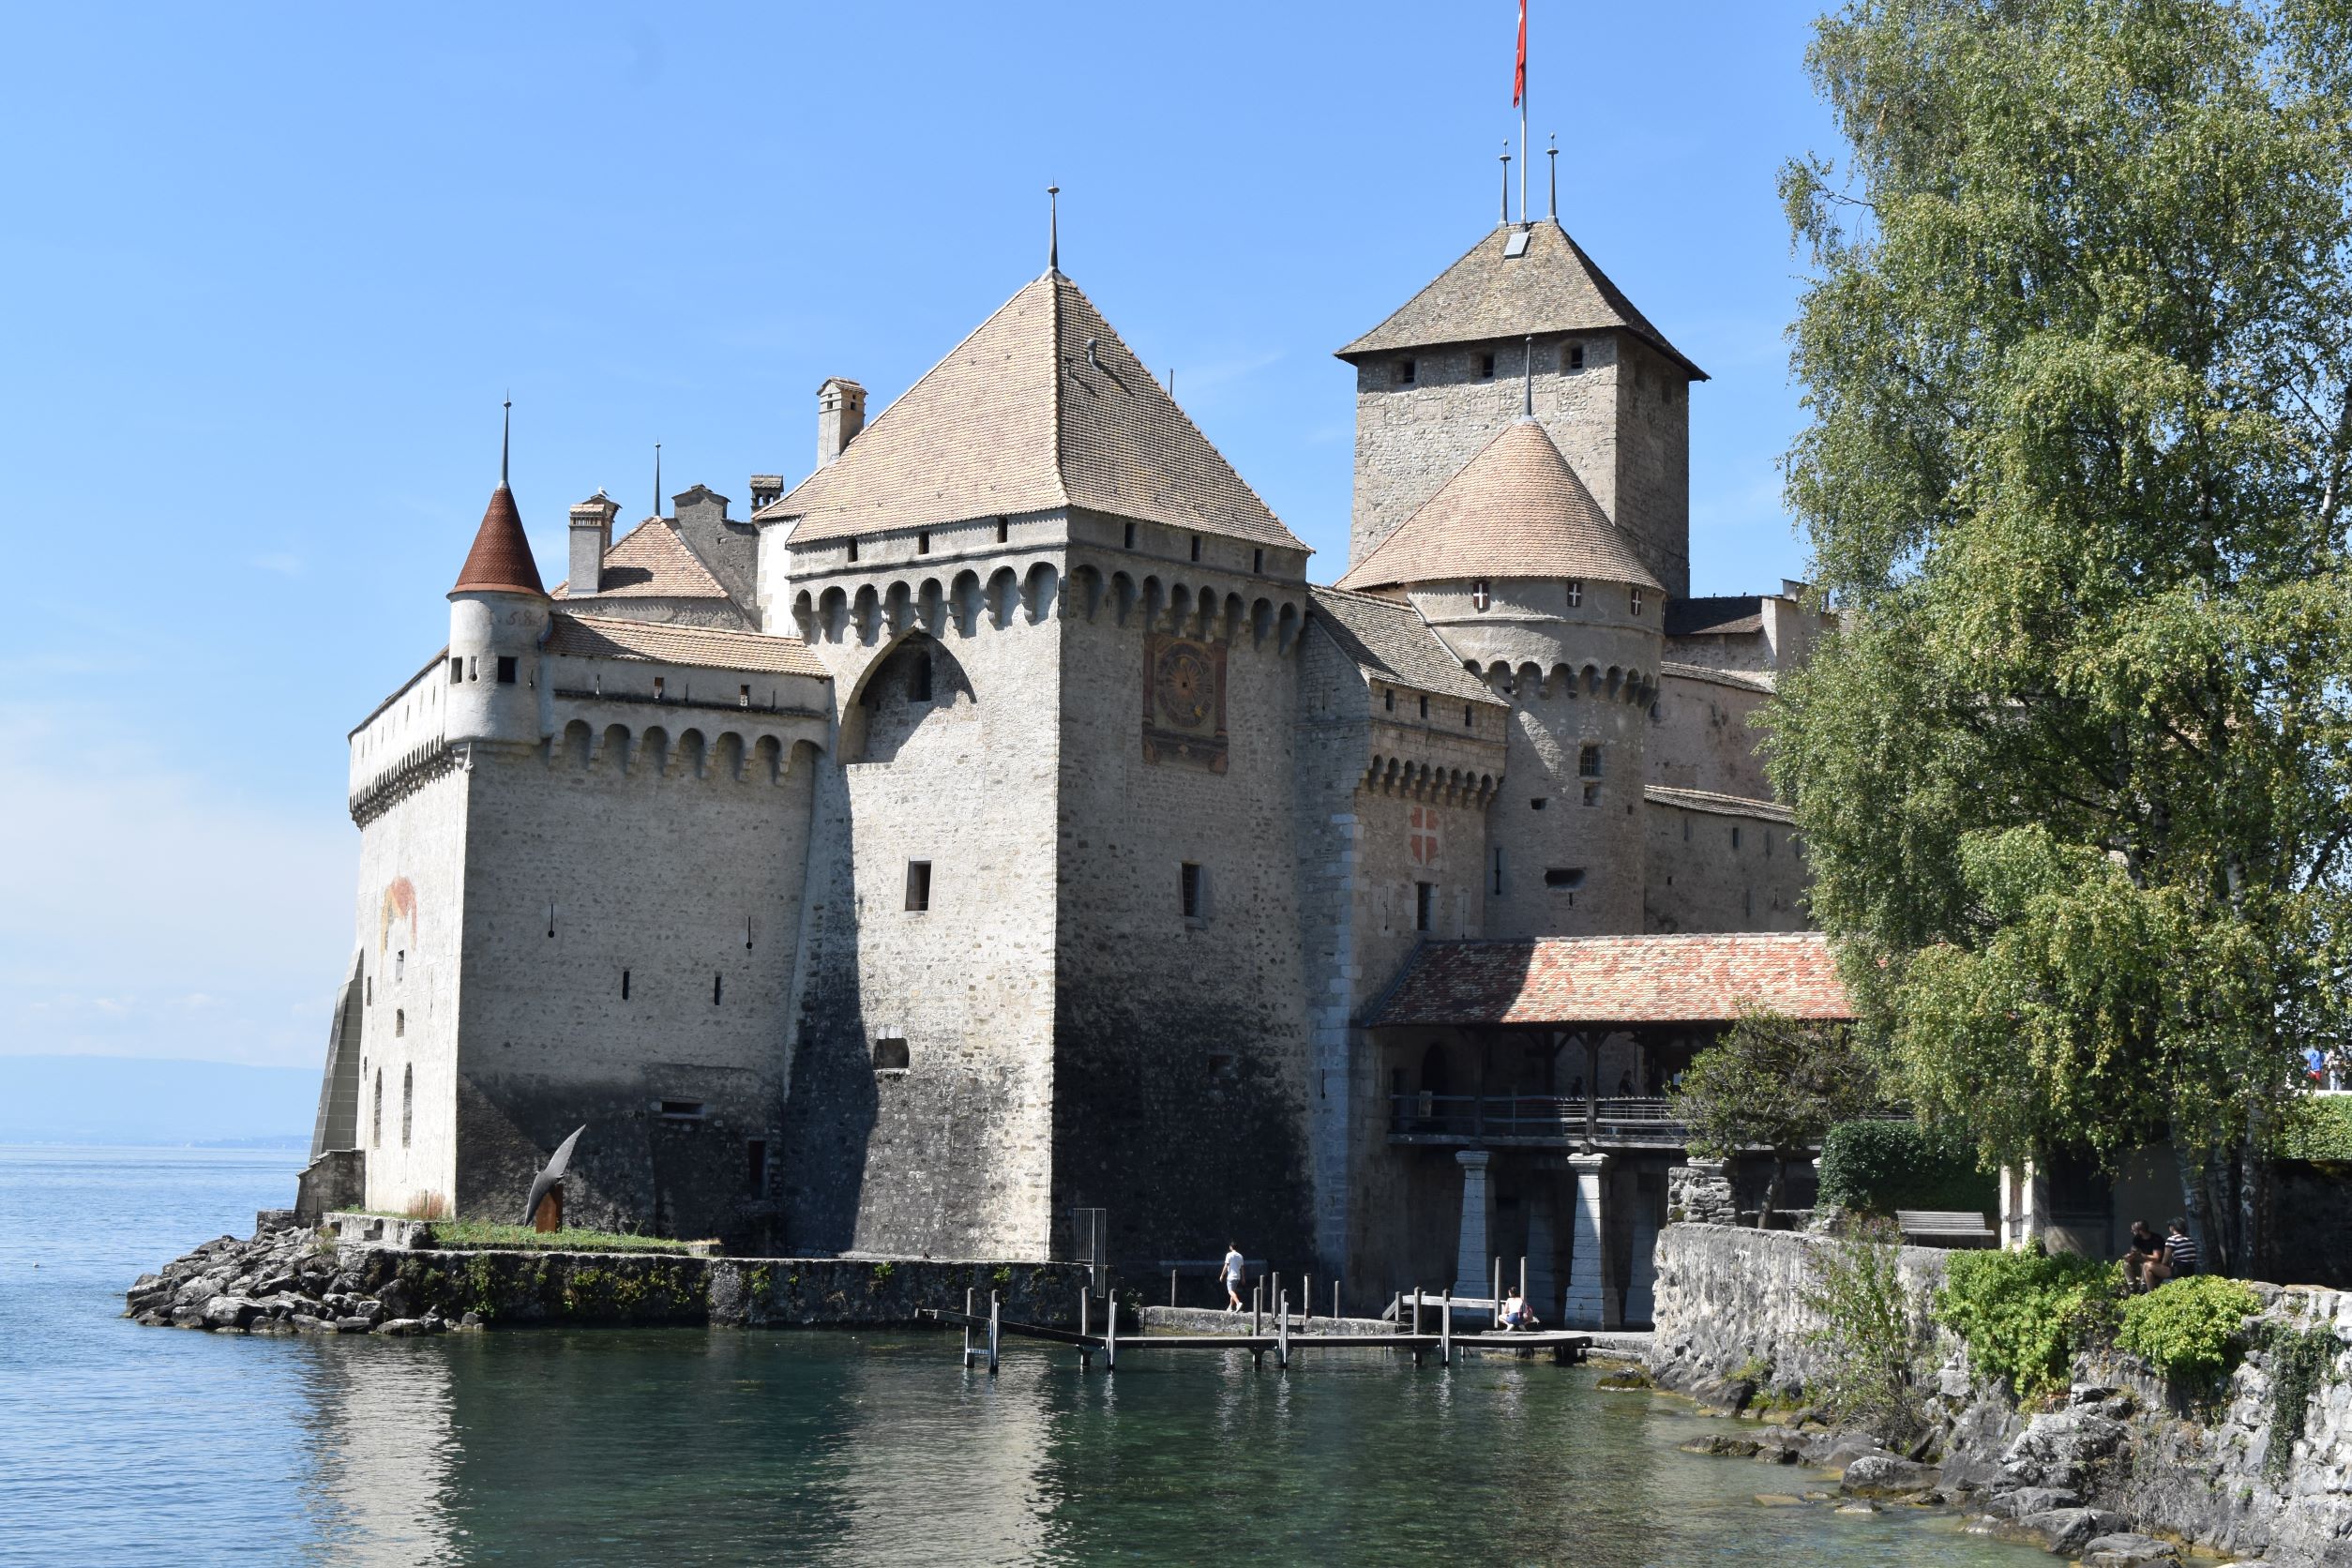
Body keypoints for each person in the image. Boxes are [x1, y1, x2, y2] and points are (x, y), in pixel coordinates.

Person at [2122, 1221, 2162, 1292]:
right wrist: (2129, 1257)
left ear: (2140, 1231)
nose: (2132, 1232)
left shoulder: (2156, 1239)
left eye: (2133, 1231)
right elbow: (2133, 1252)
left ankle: (2143, 1288)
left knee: (2146, 1264)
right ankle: (2132, 1288)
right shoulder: (2137, 1239)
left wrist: (2142, 1255)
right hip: (2142, 1264)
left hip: (2155, 1267)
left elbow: (2156, 1258)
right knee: (2126, 1265)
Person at [1222, 1242, 1244, 1313]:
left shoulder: (1229, 1255)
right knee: (1233, 1292)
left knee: (1230, 1291)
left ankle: (1238, 1303)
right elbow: (1242, 1268)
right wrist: (1243, 1278)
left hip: (1231, 1276)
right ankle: (1230, 1307)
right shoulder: (1240, 1256)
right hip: (1237, 1277)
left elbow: (1226, 1266)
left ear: (1231, 1247)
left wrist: (1222, 1275)